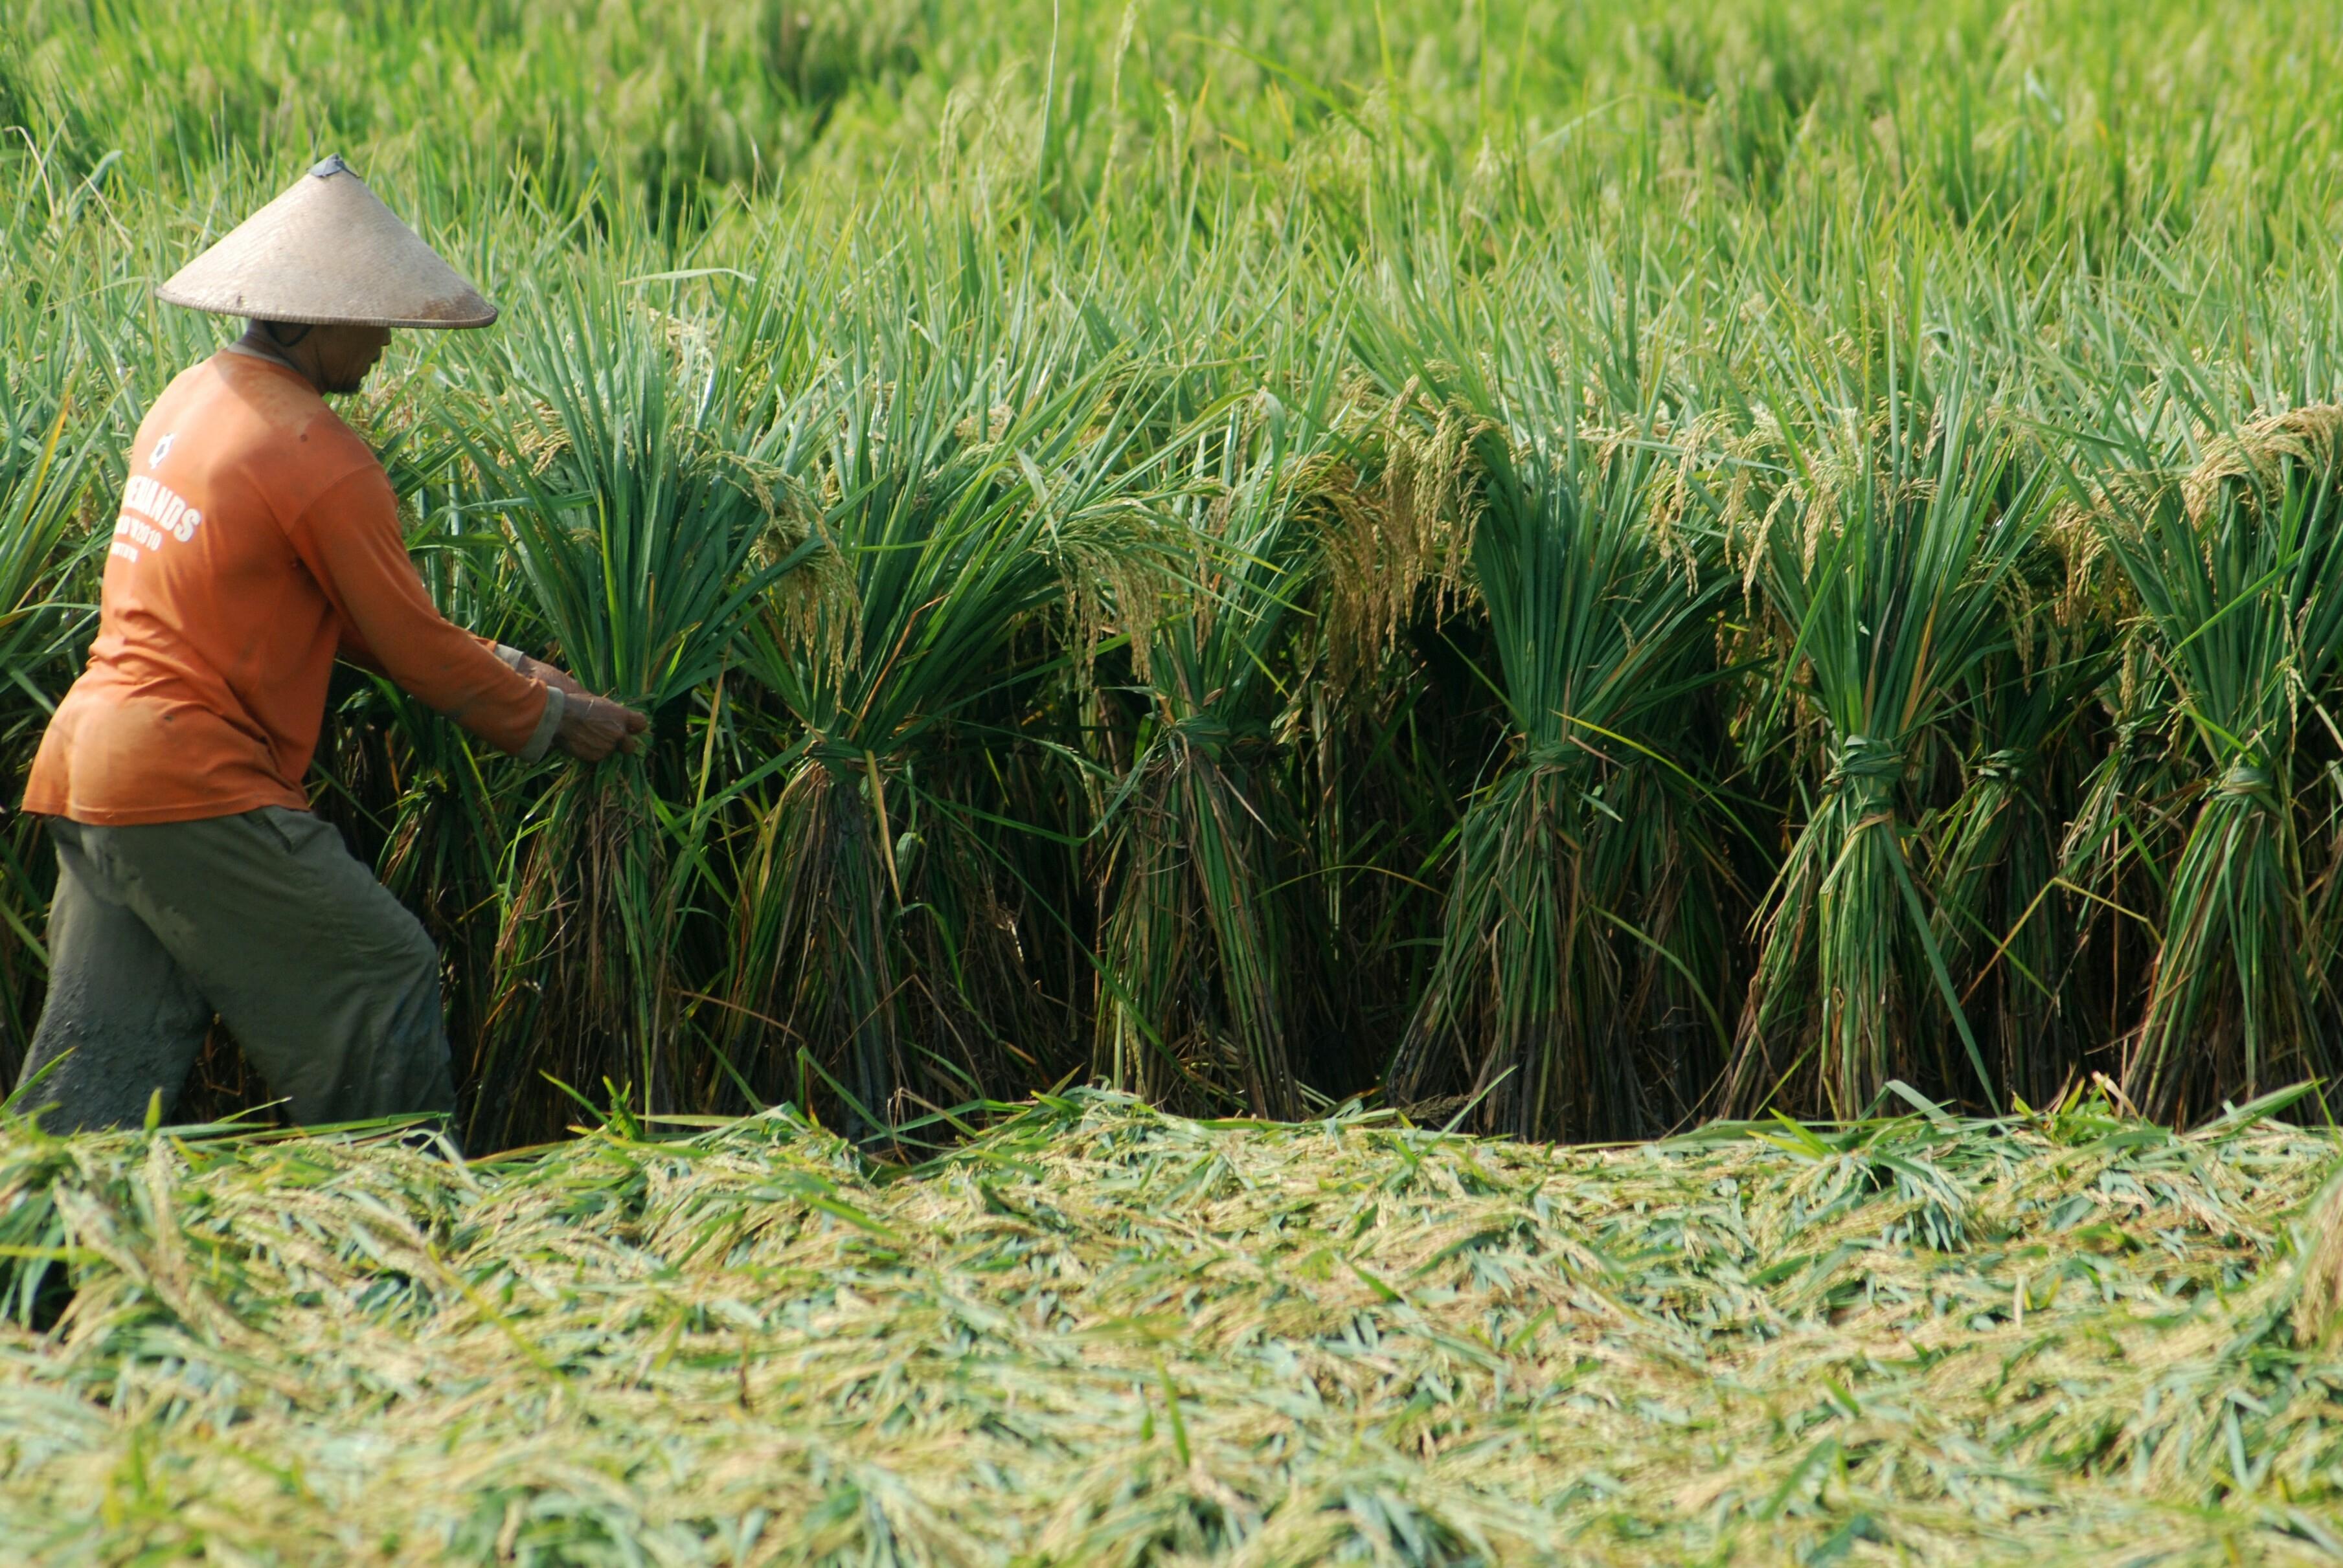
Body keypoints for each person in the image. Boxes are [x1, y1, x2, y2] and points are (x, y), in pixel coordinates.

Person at [11, 155, 646, 1141]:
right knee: (380, 970)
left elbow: (345, 621)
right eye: (371, 316)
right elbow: (419, 655)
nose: (387, 341)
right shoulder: (317, 453)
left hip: (89, 769)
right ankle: (393, 1246)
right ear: (305, 316)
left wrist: (516, 668)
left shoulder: (191, 400)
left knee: (88, 1089)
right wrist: (557, 718)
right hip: (192, 777)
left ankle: (37, 1271)